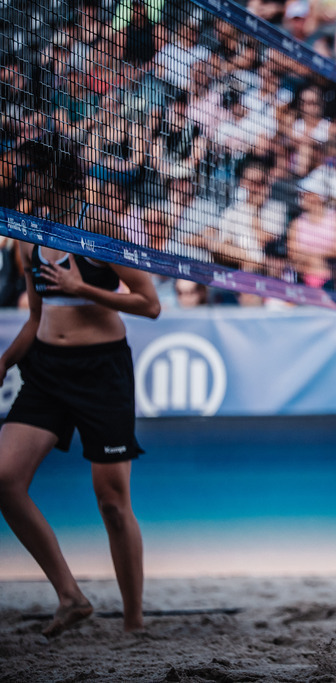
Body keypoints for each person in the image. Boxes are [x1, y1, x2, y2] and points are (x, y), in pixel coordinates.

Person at [0, 138, 161, 639]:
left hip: (102, 370)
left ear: (53, 176)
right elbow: (35, 318)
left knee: (113, 503)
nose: (22, 181)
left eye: (29, 172)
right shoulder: (28, 237)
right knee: (4, 479)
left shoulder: (102, 228)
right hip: (46, 369)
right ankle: (71, 596)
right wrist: (5, 362)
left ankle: (133, 623)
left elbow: (149, 303)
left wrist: (83, 289)